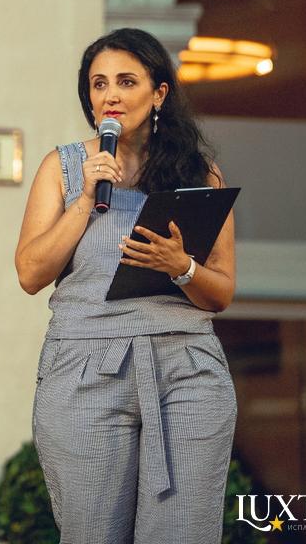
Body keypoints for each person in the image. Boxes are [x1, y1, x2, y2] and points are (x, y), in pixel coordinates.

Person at [15, 28, 238, 544]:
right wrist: (85, 199)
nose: (110, 95)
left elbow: (222, 292)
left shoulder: (199, 173)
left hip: (187, 368)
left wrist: (180, 266)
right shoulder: (64, 167)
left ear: (159, 93)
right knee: (92, 532)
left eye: (126, 81)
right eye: (98, 84)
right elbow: (30, 273)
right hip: (85, 369)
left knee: (182, 534)